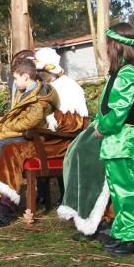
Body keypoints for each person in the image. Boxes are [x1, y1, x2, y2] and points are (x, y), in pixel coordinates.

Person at [61, 23, 134, 256]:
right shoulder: (120, 72)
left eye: (108, 44)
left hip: (125, 139)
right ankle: (123, 230)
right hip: (117, 141)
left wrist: (103, 126)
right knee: (118, 189)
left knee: (128, 189)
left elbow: (119, 109)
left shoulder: (128, 72)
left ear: (117, 46)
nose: (106, 49)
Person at [0, 57, 58, 227]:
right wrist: (6, 122)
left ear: (25, 76)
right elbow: (16, 117)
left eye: (16, 78)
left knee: (6, 150)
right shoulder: (21, 91)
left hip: (32, 139)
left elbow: (30, 122)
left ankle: (4, 210)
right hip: (17, 135)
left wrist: (6, 127)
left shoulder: (40, 97)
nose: (14, 81)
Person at [32, 47, 88, 211]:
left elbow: (73, 123)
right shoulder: (47, 85)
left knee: (30, 148)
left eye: (41, 71)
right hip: (52, 136)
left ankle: (59, 197)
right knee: (31, 145)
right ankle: (43, 197)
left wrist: (47, 122)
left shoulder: (68, 86)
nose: (39, 75)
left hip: (66, 139)